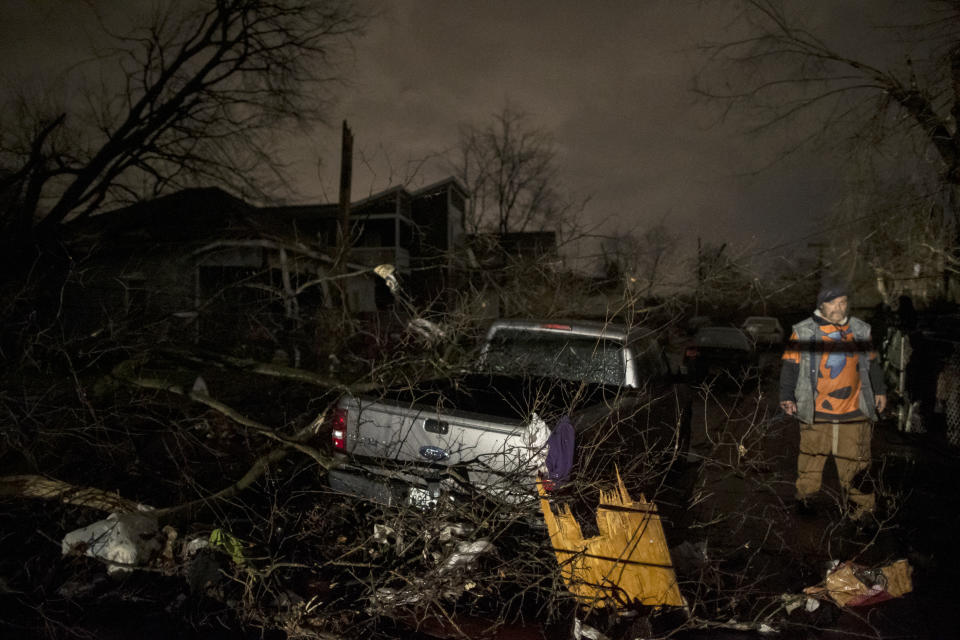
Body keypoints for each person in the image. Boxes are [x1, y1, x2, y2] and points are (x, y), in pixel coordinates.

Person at [779, 282, 887, 520]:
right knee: (811, 456)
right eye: (833, 303)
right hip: (816, 410)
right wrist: (786, 396)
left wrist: (879, 390)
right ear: (822, 306)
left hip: (854, 410)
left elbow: (873, 364)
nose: (839, 308)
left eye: (843, 302)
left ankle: (863, 509)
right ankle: (806, 499)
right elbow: (790, 367)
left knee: (857, 461)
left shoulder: (859, 330)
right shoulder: (804, 332)